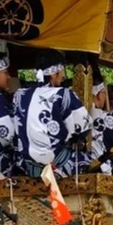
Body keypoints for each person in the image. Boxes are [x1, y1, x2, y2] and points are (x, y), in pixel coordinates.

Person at [14, 49, 90, 178]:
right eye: (61, 72)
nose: (63, 76)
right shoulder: (63, 94)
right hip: (58, 165)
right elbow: (83, 127)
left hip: (28, 167)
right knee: (95, 162)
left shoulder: (20, 95)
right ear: (54, 74)